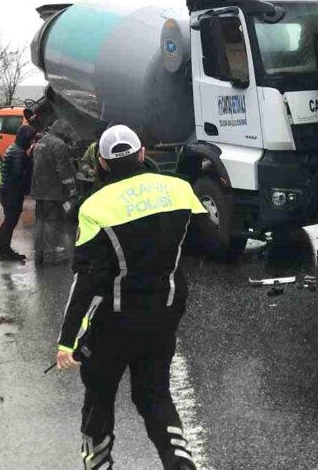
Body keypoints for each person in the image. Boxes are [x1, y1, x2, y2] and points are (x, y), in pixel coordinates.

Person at [54, 125, 216, 470]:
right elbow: (207, 241)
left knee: (99, 399)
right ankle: (181, 464)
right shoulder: (179, 188)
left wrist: (67, 339)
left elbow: (86, 281)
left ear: (103, 162)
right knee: (155, 396)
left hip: (111, 324)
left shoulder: (94, 205)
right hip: (163, 315)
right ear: (143, 154)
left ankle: (98, 464)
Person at [31, 118, 80, 266]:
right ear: (63, 132)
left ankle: (39, 254)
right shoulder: (59, 145)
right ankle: (50, 255)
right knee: (52, 222)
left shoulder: (41, 141)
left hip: (39, 189)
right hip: (53, 191)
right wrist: (72, 188)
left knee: (40, 221)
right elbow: (63, 170)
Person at [0, 124, 36, 261]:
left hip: (7, 190)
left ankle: (4, 249)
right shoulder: (19, 153)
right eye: (31, 139)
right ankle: (4, 251)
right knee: (10, 222)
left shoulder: (13, 148)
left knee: (8, 222)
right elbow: (19, 175)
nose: (31, 142)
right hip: (12, 192)